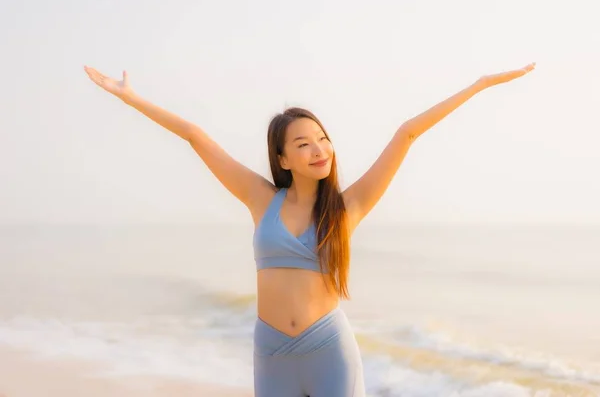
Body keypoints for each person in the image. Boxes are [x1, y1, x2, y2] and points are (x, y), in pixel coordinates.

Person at [84, 62, 535, 396]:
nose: (319, 149)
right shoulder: (260, 198)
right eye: (303, 144)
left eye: (323, 139)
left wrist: (477, 87)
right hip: (272, 353)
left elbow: (407, 134)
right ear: (282, 159)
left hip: (328, 352)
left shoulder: (346, 208)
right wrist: (129, 97)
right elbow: (195, 135)